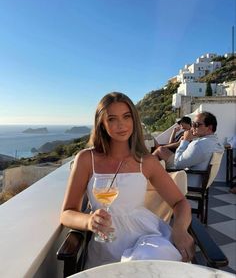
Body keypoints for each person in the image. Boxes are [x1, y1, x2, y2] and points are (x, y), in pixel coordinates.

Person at [60, 92, 194, 269]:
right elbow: (67, 213)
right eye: (112, 119)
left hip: (146, 239)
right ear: (102, 123)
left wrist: (180, 229)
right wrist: (89, 221)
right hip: (105, 244)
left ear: (134, 120)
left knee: (146, 263)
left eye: (126, 116)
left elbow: (179, 202)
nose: (121, 125)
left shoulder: (146, 162)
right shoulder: (86, 159)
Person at [167, 111, 224, 187]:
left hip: (187, 185)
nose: (192, 127)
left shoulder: (199, 144)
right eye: (192, 124)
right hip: (200, 184)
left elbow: (178, 164)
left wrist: (185, 141)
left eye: (196, 125)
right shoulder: (216, 143)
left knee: (155, 167)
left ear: (209, 128)